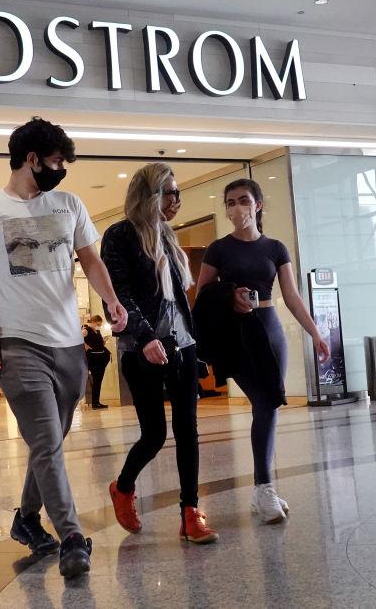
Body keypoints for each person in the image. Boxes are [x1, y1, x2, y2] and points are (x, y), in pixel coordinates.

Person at [0, 116, 128, 579]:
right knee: (47, 441)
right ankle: (70, 535)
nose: (61, 170)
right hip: (18, 344)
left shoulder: (69, 204)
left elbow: (91, 261)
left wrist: (111, 301)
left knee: (49, 442)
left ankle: (26, 519)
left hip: (69, 345)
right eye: (55, 161)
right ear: (32, 159)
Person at [194, 179, 330, 525]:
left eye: (243, 200)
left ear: (258, 205)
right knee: (265, 403)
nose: (236, 208)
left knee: (269, 404)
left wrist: (315, 332)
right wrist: (229, 298)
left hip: (268, 328)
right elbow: (202, 295)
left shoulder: (275, 248)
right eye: (229, 202)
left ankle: (263, 488)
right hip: (235, 333)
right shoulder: (218, 249)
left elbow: (292, 295)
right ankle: (264, 486)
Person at [101, 162, 218, 544]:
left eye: (178, 193)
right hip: (141, 348)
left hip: (181, 346)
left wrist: (195, 343)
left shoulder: (167, 236)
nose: (177, 201)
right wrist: (146, 336)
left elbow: (177, 300)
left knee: (188, 429)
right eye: (171, 193)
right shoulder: (119, 235)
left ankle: (190, 512)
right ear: (150, 195)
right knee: (153, 434)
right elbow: (116, 294)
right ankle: (122, 487)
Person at [82, 315, 111, 409]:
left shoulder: (97, 331)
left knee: (98, 381)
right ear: (94, 322)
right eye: (98, 324)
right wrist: (85, 345)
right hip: (93, 358)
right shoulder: (87, 330)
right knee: (97, 379)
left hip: (100, 357)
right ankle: (95, 403)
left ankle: (96, 402)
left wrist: (103, 341)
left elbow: (98, 343)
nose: (99, 326)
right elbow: (77, 338)